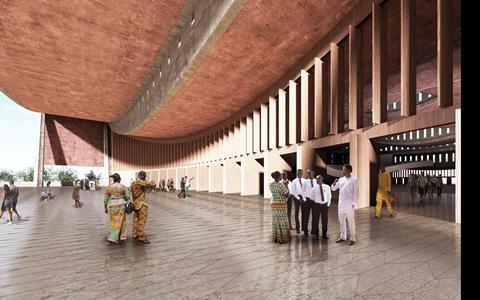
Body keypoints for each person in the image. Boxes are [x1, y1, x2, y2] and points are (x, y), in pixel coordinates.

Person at [331, 164, 359, 246]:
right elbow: (333, 189)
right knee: (341, 222)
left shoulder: (354, 180)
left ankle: (352, 238)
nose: (343, 171)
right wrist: (334, 183)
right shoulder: (341, 179)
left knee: (351, 222)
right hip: (341, 205)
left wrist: (353, 204)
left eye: (345, 169)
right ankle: (342, 237)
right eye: (343, 169)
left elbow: (356, 193)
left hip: (349, 205)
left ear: (350, 171)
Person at [131, 171, 157, 244]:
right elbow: (153, 185)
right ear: (143, 176)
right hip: (141, 204)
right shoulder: (141, 182)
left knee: (136, 220)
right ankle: (141, 237)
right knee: (142, 221)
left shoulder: (134, 182)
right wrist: (152, 181)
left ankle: (135, 234)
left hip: (135, 204)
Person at [104, 173, 130, 244]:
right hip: (121, 205)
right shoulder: (123, 186)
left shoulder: (109, 187)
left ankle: (112, 238)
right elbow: (128, 197)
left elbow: (106, 198)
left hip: (112, 205)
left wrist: (105, 207)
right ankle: (121, 237)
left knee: (113, 221)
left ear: (114, 179)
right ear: (119, 179)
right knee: (122, 221)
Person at [269, 171, 291, 244]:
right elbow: (287, 195)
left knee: (276, 220)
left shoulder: (271, 185)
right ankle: (282, 238)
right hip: (281, 204)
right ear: (278, 177)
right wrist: (286, 186)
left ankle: (276, 237)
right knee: (282, 220)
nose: (282, 177)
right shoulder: (281, 185)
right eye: (281, 176)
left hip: (274, 204)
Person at [310, 175, 331, 240]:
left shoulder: (327, 187)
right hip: (317, 206)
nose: (316, 181)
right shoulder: (314, 188)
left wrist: (328, 204)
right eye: (316, 179)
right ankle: (316, 235)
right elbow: (311, 197)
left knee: (325, 221)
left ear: (322, 179)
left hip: (325, 206)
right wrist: (316, 200)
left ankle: (324, 234)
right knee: (316, 220)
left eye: (318, 179)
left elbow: (329, 196)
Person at [289, 169, 307, 234]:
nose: (299, 174)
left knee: (304, 213)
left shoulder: (305, 181)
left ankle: (304, 228)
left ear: (302, 173)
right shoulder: (294, 181)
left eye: (300, 173)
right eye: (298, 173)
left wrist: (304, 198)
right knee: (297, 213)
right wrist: (299, 198)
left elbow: (306, 190)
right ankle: (297, 228)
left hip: (304, 197)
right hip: (297, 198)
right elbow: (293, 191)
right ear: (297, 174)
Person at [301, 169, 316, 238]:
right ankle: (305, 231)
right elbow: (302, 191)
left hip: (315, 200)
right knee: (306, 216)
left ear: (313, 173)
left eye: (310, 173)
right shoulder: (305, 182)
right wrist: (304, 200)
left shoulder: (316, 181)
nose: (309, 174)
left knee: (314, 216)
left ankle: (313, 230)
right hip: (307, 200)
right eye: (308, 173)